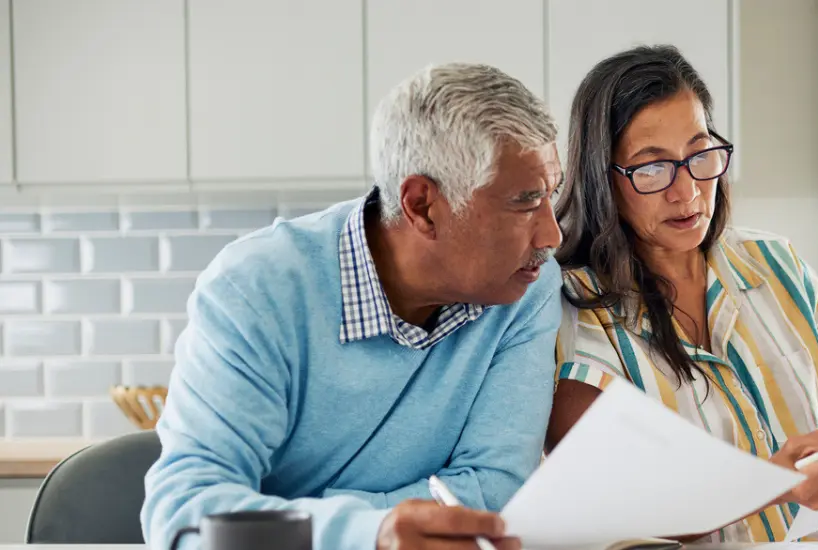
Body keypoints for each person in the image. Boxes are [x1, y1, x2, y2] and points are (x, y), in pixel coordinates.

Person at [141, 63, 564, 550]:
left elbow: (494, 495)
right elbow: (186, 514)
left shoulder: (525, 288)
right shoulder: (256, 289)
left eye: (550, 196)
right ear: (422, 205)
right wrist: (370, 534)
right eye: (525, 203)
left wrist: (295, 519)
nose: (551, 236)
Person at [548, 45, 818, 543]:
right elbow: (612, 507)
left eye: (699, 155)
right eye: (652, 168)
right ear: (603, 178)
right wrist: (772, 486)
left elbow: (813, 412)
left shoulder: (776, 264)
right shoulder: (572, 317)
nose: (687, 192)